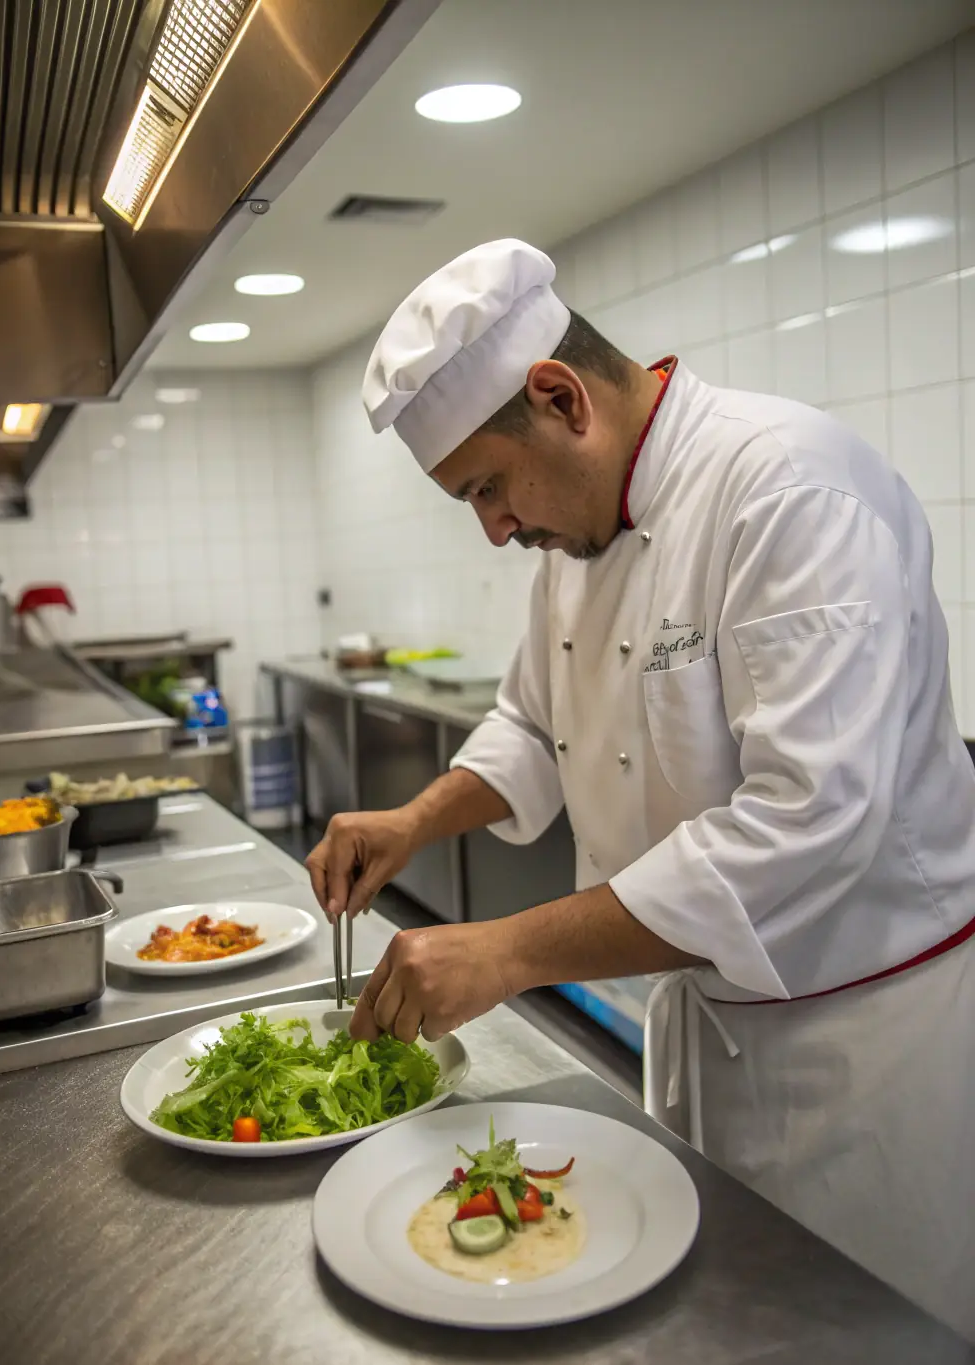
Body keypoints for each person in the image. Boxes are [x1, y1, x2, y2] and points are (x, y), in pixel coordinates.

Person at [306, 238, 975, 1337]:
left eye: (486, 484)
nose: (494, 526)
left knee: (866, 1332)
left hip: (862, 1053)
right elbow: (531, 721)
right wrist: (414, 820)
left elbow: (808, 823)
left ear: (560, 397)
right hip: (702, 1027)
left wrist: (508, 949)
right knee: (718, 1321)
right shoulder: (573, 547)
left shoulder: (786, 488)